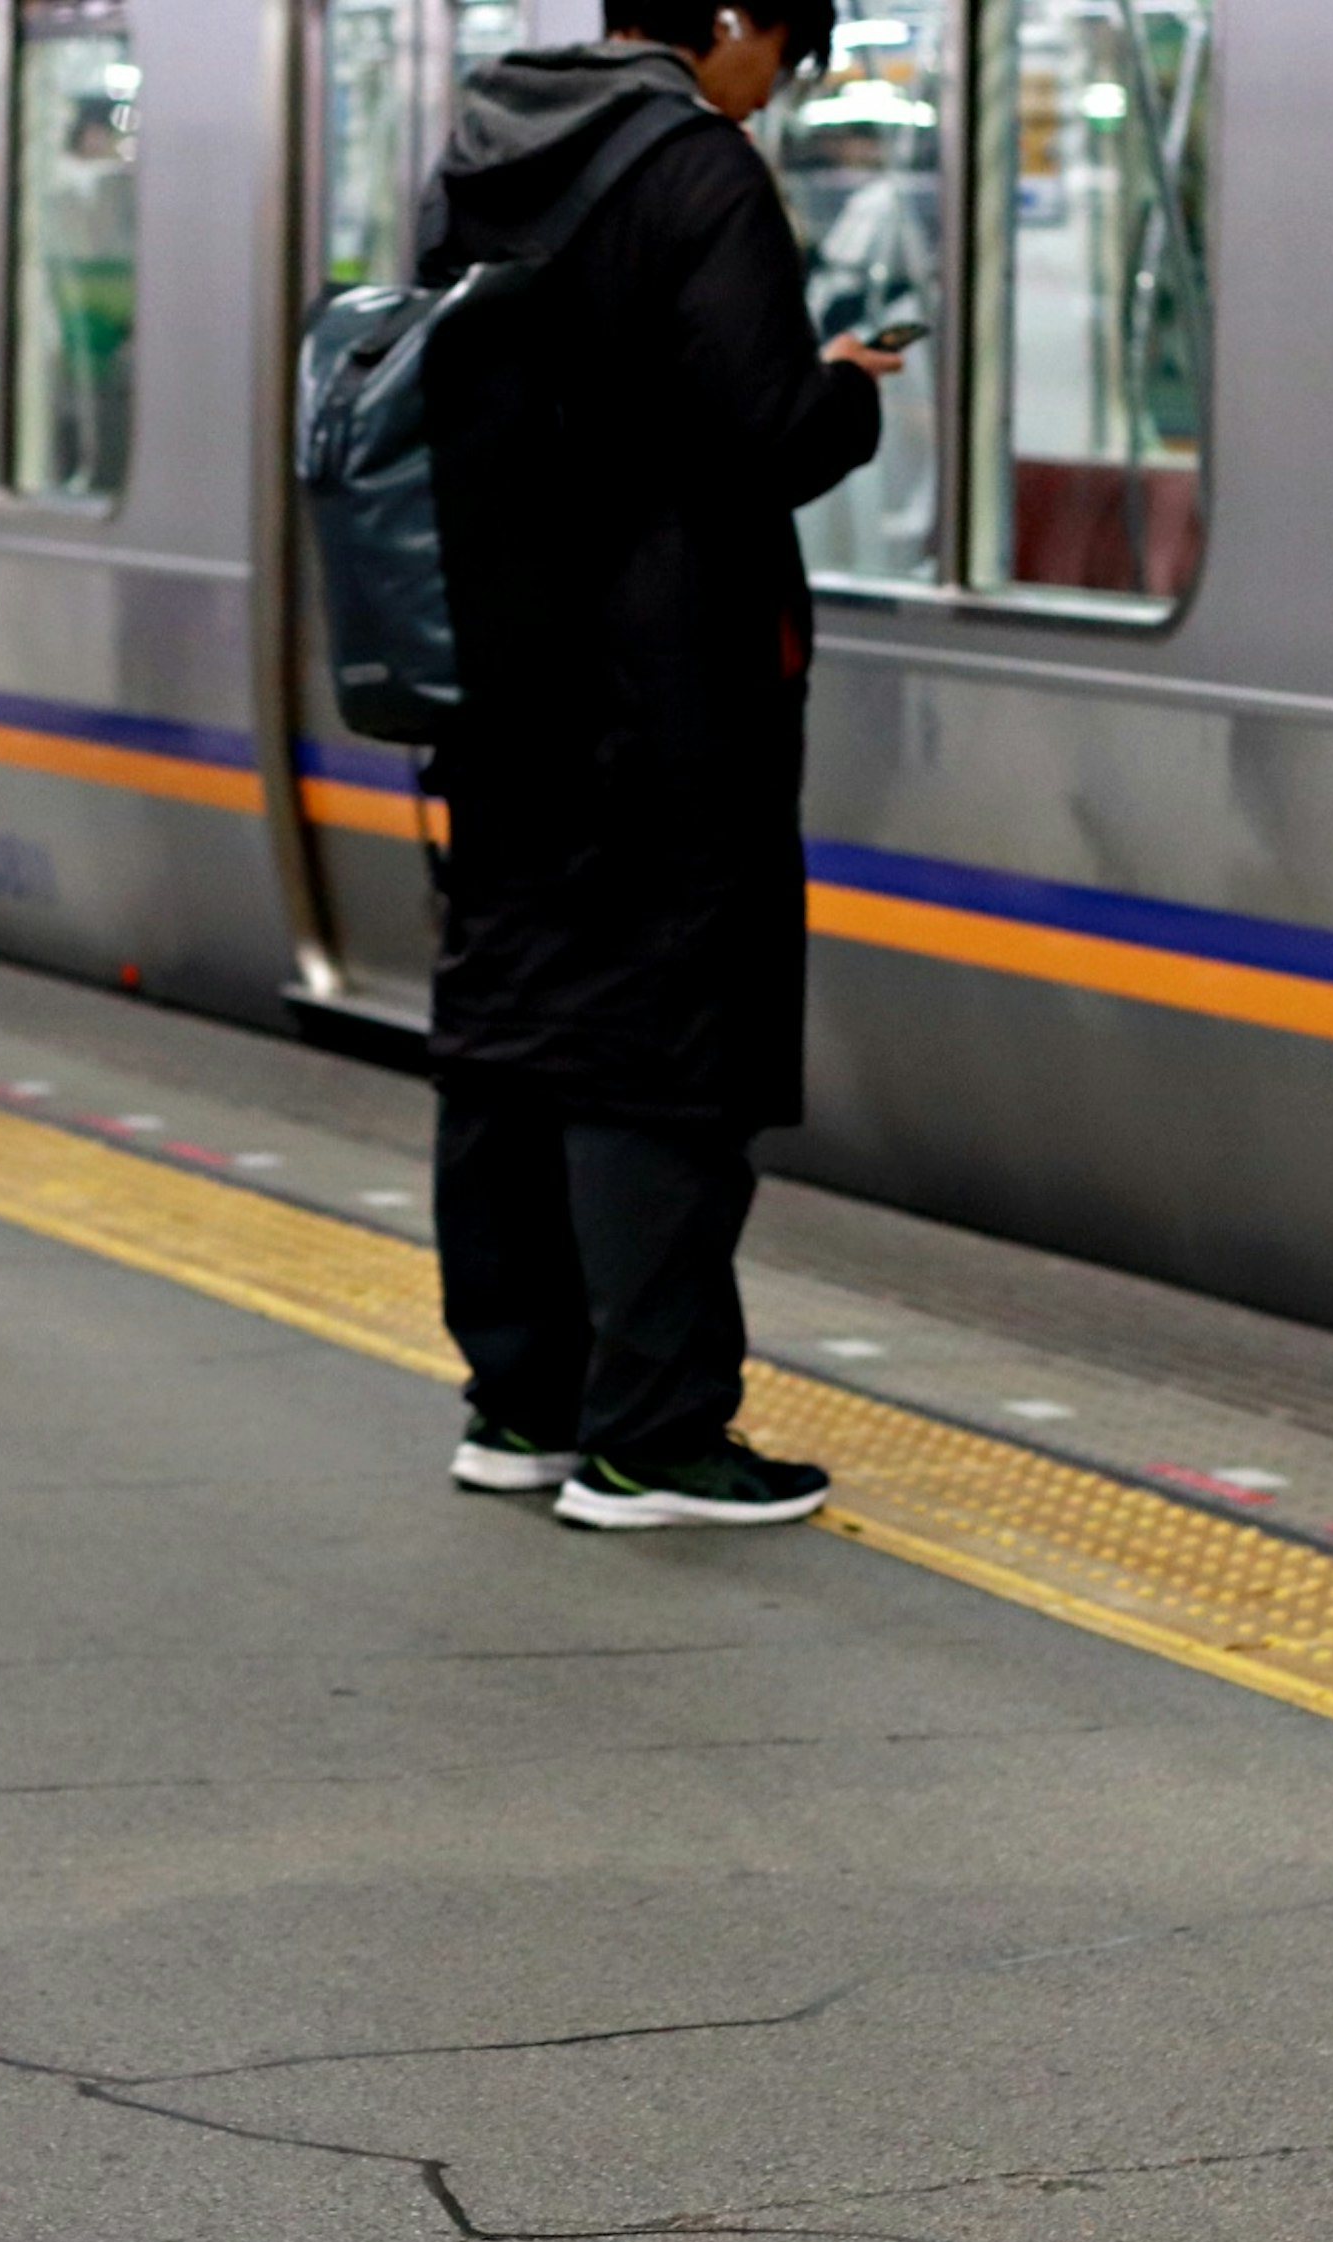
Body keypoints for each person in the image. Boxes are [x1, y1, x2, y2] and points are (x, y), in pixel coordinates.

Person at [415, 1, 896, 1530]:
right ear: (735, 20)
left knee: (509, 1017)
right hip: (666, 685)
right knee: (660, 1039)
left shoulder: (479, 152)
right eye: (788, 49)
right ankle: (653, 1435)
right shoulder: (701, 173)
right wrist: (852, 391)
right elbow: (762, 433)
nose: (782, 85)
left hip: (498, 672)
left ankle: (520, 1403)